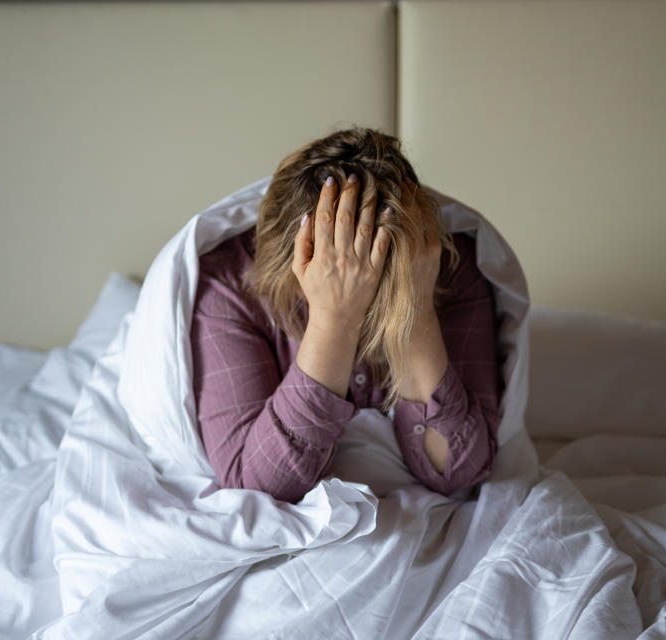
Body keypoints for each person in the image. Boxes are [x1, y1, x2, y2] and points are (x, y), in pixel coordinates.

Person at [190, 127, 500, 503]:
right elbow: (255, 487)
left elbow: (458, 470)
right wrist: (333, 320)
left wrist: (414, 306)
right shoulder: (229, 285)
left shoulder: (448, 263)